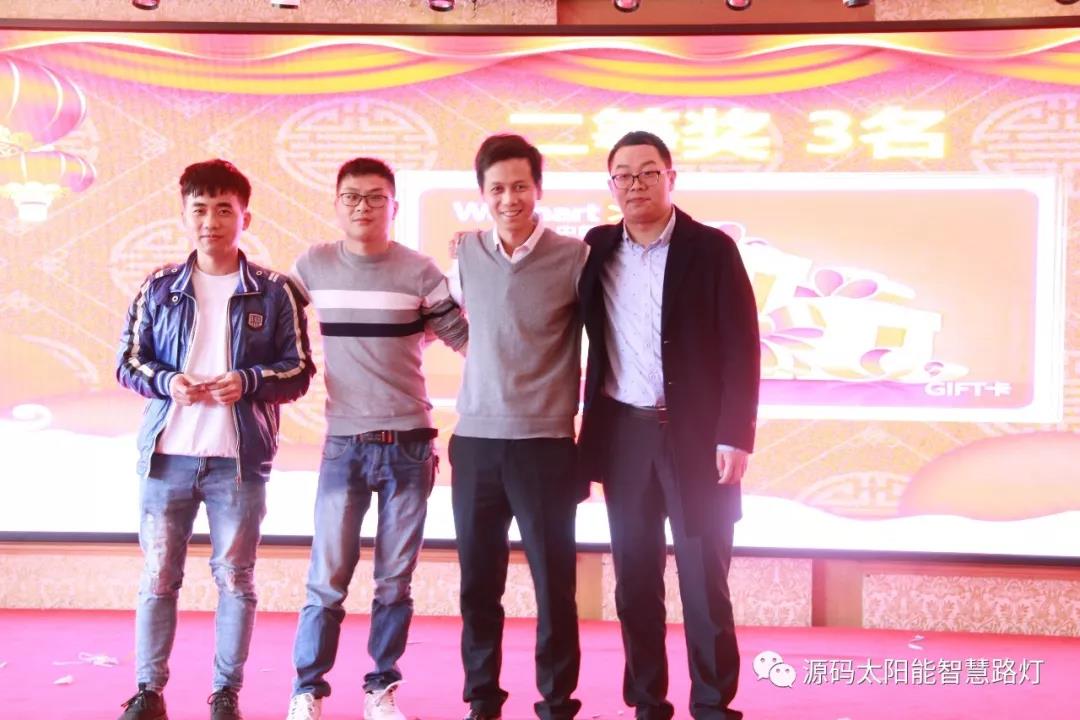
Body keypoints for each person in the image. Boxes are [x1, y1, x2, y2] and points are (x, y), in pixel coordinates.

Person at [115, 159, 314, 720]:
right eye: (199, 209)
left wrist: (249, 380)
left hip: (238, 462)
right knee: (158, 577)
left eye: (224, 209)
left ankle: (226, 693)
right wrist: (167, 382)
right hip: (167, 458)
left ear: (245, 217)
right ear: (184, 216)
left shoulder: (274, 292)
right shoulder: (158, 287)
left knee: (235, 579)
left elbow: (299, 370)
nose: (211, 221)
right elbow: (128, 361)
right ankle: (149, 691)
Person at [577, 131, 761, 720]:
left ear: (671, 178)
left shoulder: (712, 249)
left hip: (699, 439)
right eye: (624, 175)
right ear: (611, 185)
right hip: (624, 436)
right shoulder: (596, 248)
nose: (636, 185)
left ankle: (712, 704)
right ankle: (647, 702)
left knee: (704, 580)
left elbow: (742, 346)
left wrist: (735, 434)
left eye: (648, 173)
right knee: (634, 581)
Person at [285, 157, 468, 720]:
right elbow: (268, 319)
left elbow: (465, 338)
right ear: (337, 204)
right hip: (343, 444)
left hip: (410, 444)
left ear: (394, 206)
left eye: (374, 197)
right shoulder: (312, 265)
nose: (362, 206)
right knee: (326, 580)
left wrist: (478, 276)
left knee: (394, 581)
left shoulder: (420, 271)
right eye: (351, 197)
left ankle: (381, 688)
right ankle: (307, 690)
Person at [447, 133, 588, 720]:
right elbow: (450, 320)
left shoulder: (575, 257)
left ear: (539, 189)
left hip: (545, 444)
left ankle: (556, 700)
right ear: (482, 193)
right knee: (479, 584)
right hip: (475, 442)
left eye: (521, 187)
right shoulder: (465, 253)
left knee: (554, 585)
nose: (510, 199)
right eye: (498, 188)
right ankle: (483, 697)